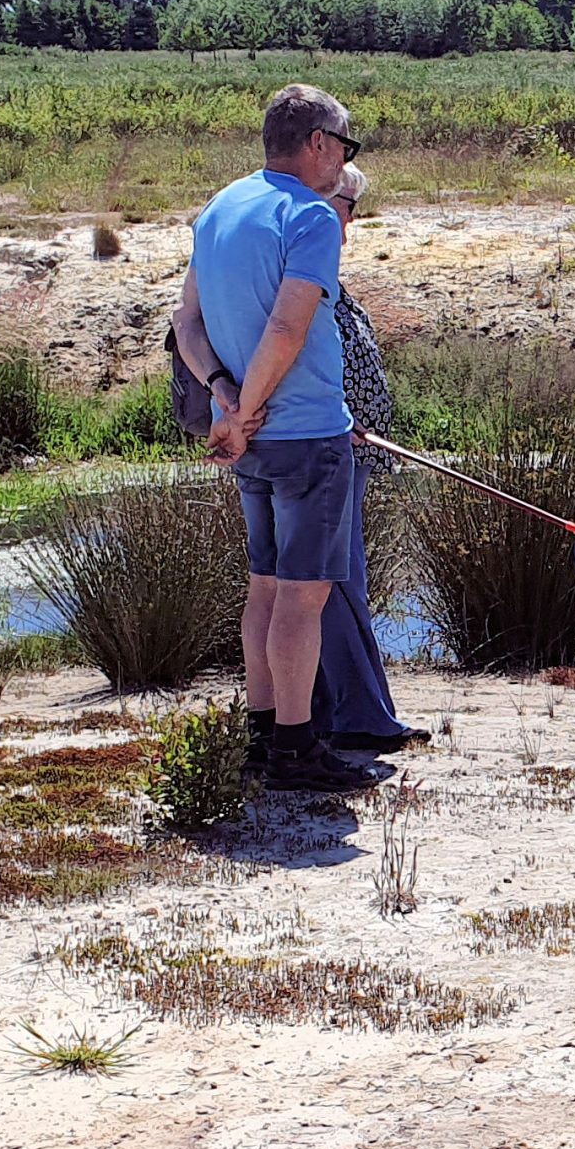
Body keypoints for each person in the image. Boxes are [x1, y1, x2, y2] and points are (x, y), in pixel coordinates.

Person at [169, 83, 375, 791]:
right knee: (302, 596)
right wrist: (244, 407)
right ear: (318, 143)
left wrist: (224, 397)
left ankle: (262, 735)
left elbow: (185, 323)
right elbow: (288, 328)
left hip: (249, 443)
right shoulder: (310, 217)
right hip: (308, 435)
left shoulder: (220, 207)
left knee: (264, 586)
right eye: (344, 148)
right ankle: (294, 746)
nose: (344, 162)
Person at [307, 163, 425, 754]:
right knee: (335, 580)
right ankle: (357, 717)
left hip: (349, 452)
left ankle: (354, 711)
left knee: (342, 577)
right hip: (330, 448)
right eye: (348, 207)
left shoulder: (324, 270)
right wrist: (343, 425)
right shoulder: (305, 271)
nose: (350, 224)